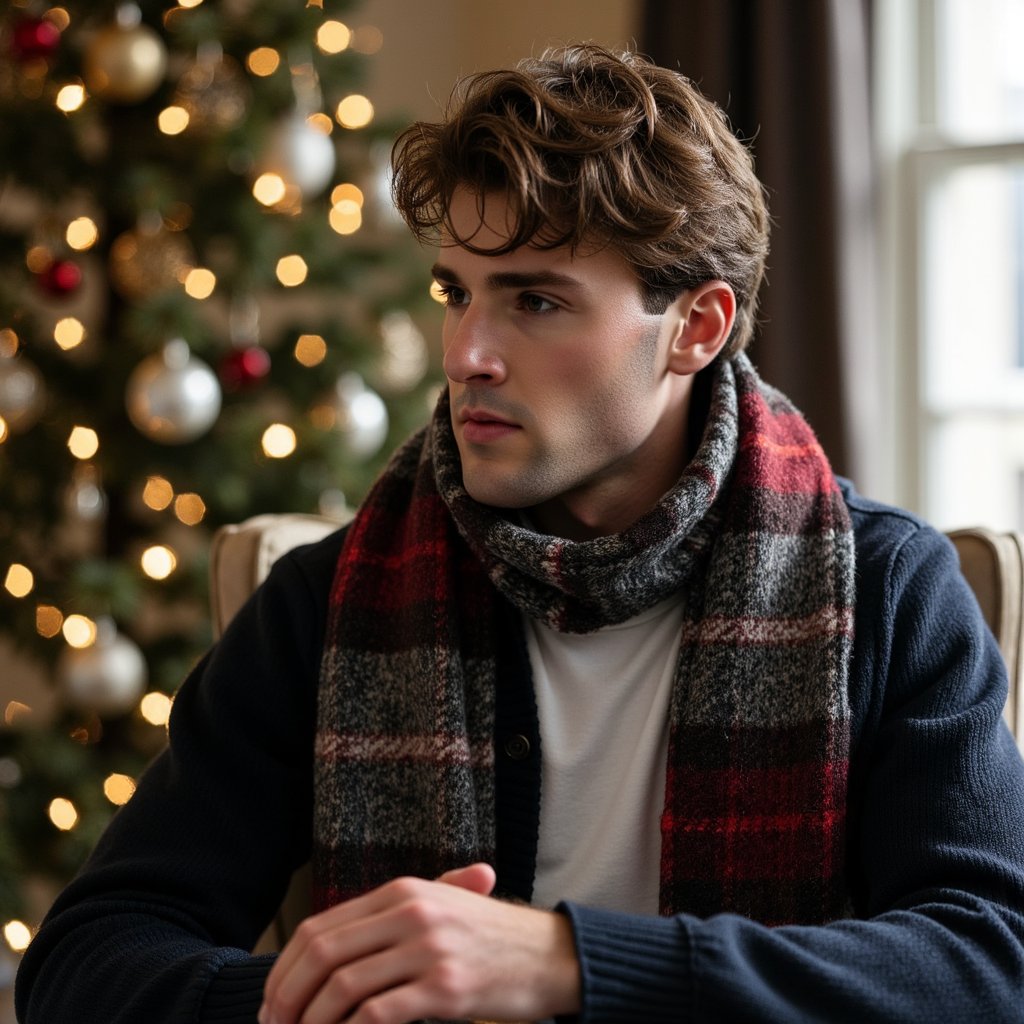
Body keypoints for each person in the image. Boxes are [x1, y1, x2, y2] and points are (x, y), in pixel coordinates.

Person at [15, 43, 1024, 1024]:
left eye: (536, 300)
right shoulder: (330, 600)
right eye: (456, 293)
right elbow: (88, 960)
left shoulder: (888, 588)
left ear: (697, 327)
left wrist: (571, 964)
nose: (467, 354)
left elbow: (994, 958)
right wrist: (351, 993)